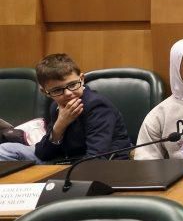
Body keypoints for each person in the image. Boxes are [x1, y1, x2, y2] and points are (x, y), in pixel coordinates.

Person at [0, 53, 130, 163]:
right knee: (5, 150)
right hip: (62, 159)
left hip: (97, 164)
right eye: (57, 90)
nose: (68, 93)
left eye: (72, 85)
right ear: (45, 92)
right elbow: (42, 153)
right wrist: (60, 125)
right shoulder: (56, 106)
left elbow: (96, 158)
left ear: (82, 79)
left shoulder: (97, 106)